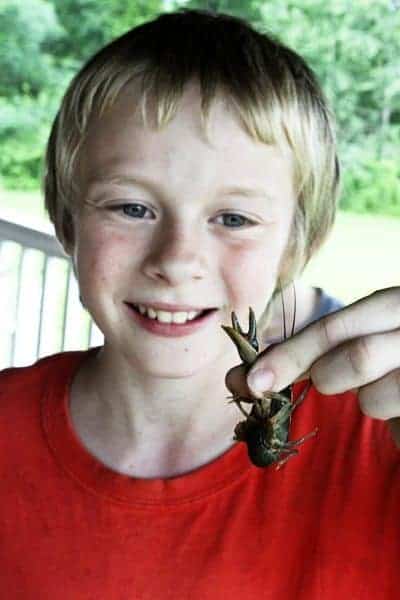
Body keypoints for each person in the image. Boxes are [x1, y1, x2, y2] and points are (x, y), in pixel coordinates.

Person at [1, 8, 399, 599]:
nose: (178, 258)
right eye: (131, 208)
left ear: (299, 242)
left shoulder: (380, 446)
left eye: (234, 218)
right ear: (66, 222)